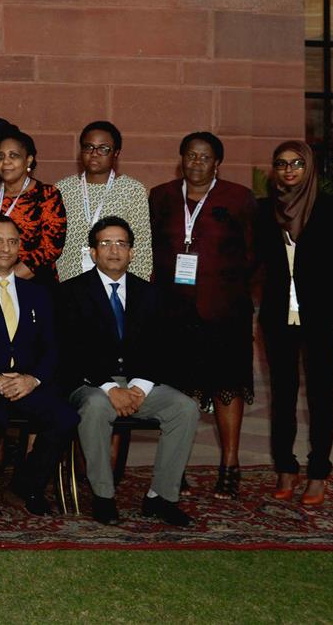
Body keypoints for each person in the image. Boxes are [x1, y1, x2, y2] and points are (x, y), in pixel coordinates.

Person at [58, 216, 197, 527]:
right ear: (93, 252)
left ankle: (160, 498)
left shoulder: (150, 294)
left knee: (185, 408)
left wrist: (139, 388)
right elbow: (72, 351)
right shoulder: (71, 293)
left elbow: (162, 348)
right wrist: (111, 389)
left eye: (121, 243)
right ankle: (104, 497)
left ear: (132, 252)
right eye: (105, 243)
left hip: (138, 383)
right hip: (91, 384)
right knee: (94, 407)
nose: (114, 250)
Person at [148, 131, 256, 500]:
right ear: (181, 160)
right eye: (190, 156)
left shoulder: (239, 198)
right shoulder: (161, 196)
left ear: (217, 163)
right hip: (174, 314)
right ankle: (175, 467)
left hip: (225, 312)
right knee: (179, 393)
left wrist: (235, 291)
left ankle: (230, 465)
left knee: (227, 388)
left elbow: (254, 255)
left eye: (204, 157)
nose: (196, 163)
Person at [0, 216, 79, 516]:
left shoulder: (38, 293)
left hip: (26, 382)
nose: (5, 248)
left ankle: (24, 486)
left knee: (65, 417)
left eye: (12, 241)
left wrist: (32, 379)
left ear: (20, 246)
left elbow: (52, 346)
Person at [256, 140, 333, 507]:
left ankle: (318, 471)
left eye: (297, 163)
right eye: (281, 164)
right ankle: (285, 466)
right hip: (278, 316)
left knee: (320, 395)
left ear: (309, 167)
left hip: (321, 316)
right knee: (281, 395)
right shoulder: (265, 211)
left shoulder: (331, 209)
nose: (289, 170)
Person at [56, 121, 153, 281]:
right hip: (69, 281)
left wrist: (136, 290)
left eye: (103, 149)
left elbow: (141, 247)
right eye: (88, 147)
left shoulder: (133, 190)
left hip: (116, 284)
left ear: (116, 153)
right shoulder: (62, 189)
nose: (94, 153)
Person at [0, 128, 66, 284]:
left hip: (32, 284)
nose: (6, 162)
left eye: (14, 156)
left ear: (28, 160)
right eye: (1, 156)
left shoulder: (46, 195)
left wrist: (8, 282)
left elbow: (50, 247)